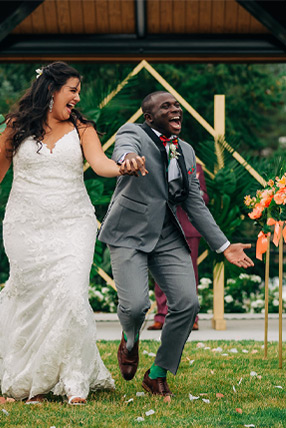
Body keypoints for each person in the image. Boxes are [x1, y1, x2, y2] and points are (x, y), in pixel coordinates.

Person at [0, 62, 145, 405]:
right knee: (32, 298)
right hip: (25, 223)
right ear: (51, 90)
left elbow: (101, 164)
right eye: (72, 89)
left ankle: (73, 379)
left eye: (78, 91)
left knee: (71, 296)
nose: (77, 97)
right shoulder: (16, 127)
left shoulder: (82, 127)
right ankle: (33, 380)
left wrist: (124, 167)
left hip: (73, 221)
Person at [99, 91, 254, 397]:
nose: (175, 110)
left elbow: (195, 203)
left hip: (167, 234)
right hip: (128, 232)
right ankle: (130, 341)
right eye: (166, 106)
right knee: (135, 307)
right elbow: (124, 148)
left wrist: (223, 246)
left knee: (188, 303)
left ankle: (157, 372)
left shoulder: (185, 149)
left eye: (177, 106)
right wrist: (127, 159)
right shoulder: (134, 133)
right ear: (149, 116)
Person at [148, 162, 208, 331]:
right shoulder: (156, 164)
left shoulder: (195, 167)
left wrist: (189, 190)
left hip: (188, 228)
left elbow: (204, 198)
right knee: (160, 273)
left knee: (190, 274)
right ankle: (162, 315)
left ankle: (191, 318)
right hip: (163, 226)